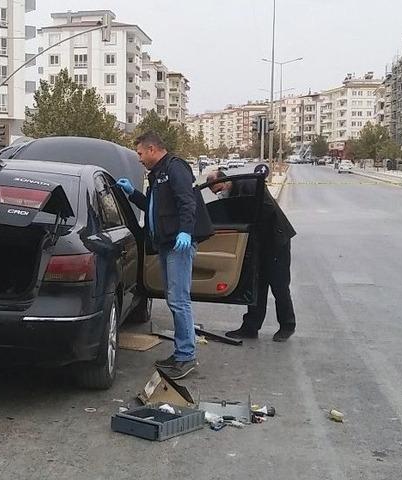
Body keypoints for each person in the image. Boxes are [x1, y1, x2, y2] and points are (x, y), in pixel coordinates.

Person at [116, 132, 213, 380]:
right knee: (174, 299)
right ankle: (181, 353)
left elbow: (187, 202)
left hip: (178, 244)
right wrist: (132, 193)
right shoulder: (158, 174)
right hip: (166, 243)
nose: (139, 159)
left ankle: (186, 356)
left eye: (139, 153)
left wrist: (185, 232)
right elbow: (152, 206)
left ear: (151, 149)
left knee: (179, 300)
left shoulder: (175, 168)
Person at [206, 167, 298, 342]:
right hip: (259, 244)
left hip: (275, 241)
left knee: (279, 286)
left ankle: (287, 326)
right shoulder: (231, 193)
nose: (219, 195)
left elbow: (267, 208)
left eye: (219, 191)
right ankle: (250, 327)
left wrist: (247, 220)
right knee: (257, 286)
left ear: (225, 182)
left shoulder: (248, 184)